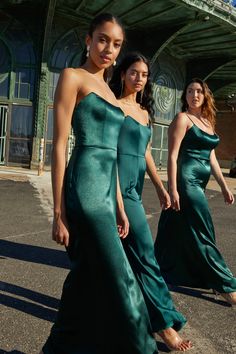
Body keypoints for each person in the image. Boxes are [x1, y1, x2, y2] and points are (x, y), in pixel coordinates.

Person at [40, 14, 158, 354]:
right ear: (88, 40)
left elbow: (115, 157)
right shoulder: (73, 77)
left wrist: (120, 206)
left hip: (108, 191)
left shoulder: (110, 89)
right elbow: (60, 145)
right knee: (123, 280)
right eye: (103, 39)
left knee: (85, 280)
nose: (109, 49)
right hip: (85, 188)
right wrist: (58, 211)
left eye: (117, 44)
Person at [110, 52, 192, 351]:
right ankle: (165, 326)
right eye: (134, 72)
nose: (139, 78)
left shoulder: (144, 112)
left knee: (132, 259)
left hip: (133, 188)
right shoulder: (113, 106)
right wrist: (118, 205)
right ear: (123, 74)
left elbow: (144, 154)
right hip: (114, 187)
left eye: (144, 74)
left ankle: (130, 317)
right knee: (145, 255)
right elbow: (108, 155)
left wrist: (160, 188)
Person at [154, 78, 236, 306]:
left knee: (176, 227)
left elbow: (211, 157)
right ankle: (225, 284)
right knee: (203, 230)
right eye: (189, 91)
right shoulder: (183, 119)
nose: (194, 95)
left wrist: (223, 185)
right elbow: (172, 156)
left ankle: (160, 269)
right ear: (185, 97)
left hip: (200, 182)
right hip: (186, 181)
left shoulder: (208, 122)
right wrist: (172, 189)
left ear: (205, 95)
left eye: (198, 91)